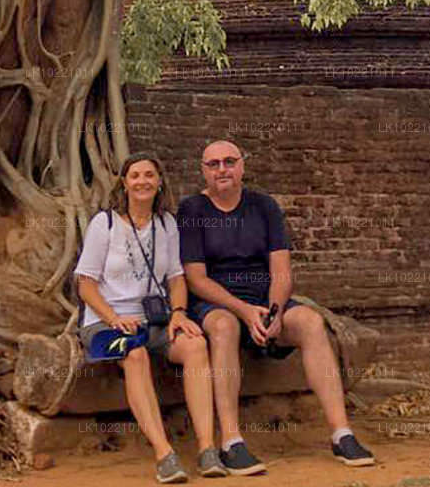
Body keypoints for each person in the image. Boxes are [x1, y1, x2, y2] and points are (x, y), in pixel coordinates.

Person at [178, 140, 376, 474]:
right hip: (217, 301)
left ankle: (341, 433)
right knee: (224, 327)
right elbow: (196, 279)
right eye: (213, 164)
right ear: (203, 170)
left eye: (229, 161)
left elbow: (281, 271)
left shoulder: (264, 206)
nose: (222, 169)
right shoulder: (192, 209)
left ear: (242, 165)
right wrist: (244, 311)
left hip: (265, 297)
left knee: (311, 322)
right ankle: (231, 441)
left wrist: (274, 311)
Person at [74, 153, 228, 483]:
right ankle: (164, 454)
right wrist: (114, 319)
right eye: (135, 176)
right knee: (135, 354)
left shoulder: (166, 224)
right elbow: (85, 284)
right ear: (124, 183)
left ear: (159, 183)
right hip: (104, 323)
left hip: (153, 320)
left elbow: (176, 278)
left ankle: (207, 449)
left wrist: (179, 314)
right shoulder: (105, 223)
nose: (142, 181)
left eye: (149, 175)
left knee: (196, 345)